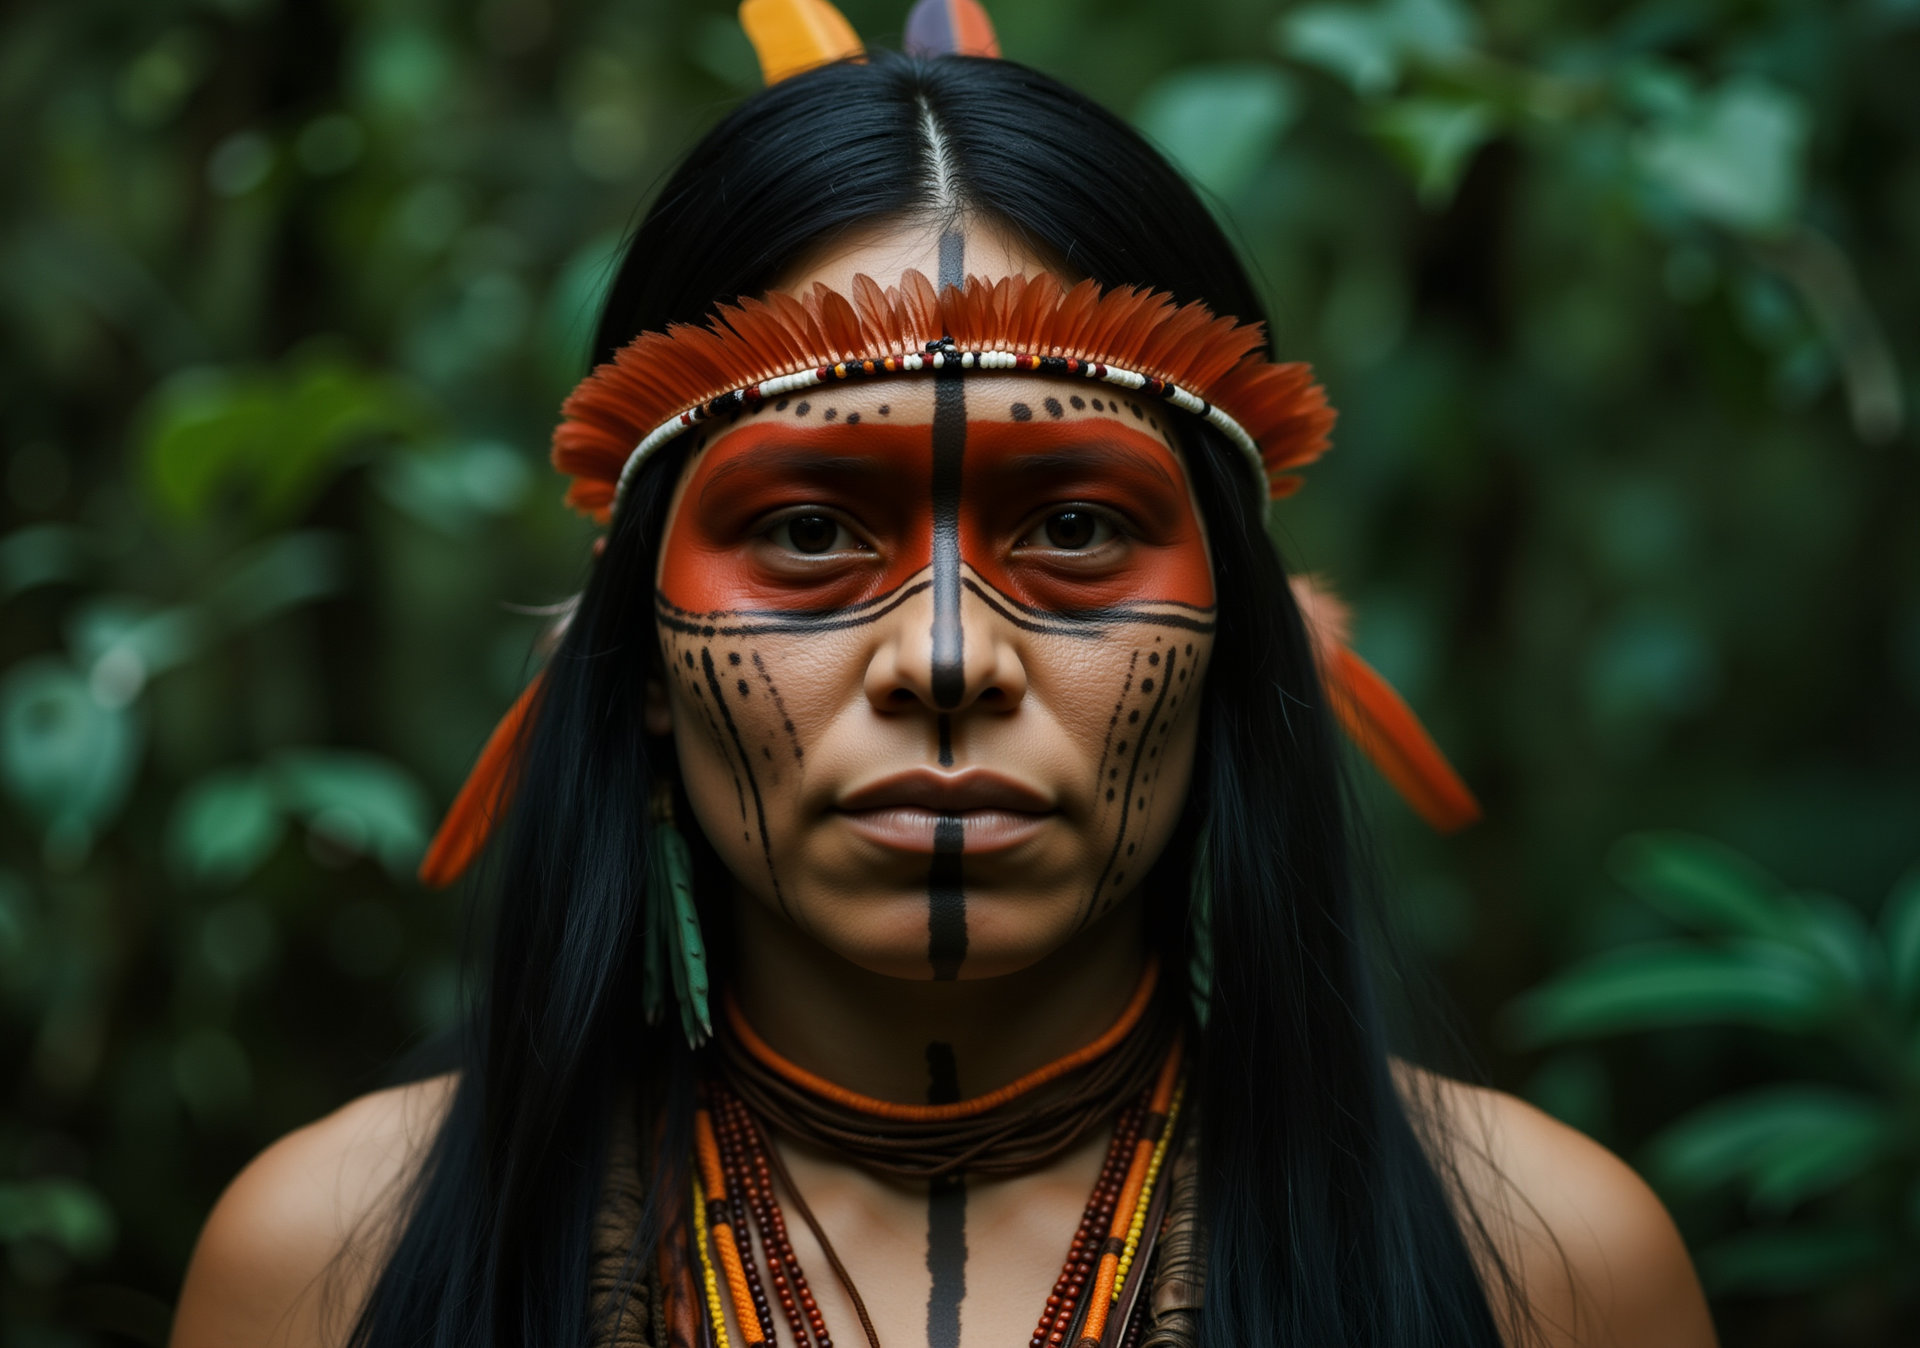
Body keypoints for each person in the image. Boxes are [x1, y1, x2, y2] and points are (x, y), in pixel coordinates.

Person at [170, 6, 1718, 1346]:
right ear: (636, 650)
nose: (949, 657)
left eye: (1074, 526)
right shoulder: (330, 1268)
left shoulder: (1551, 1276)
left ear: (1240, 638)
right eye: (802, 533)